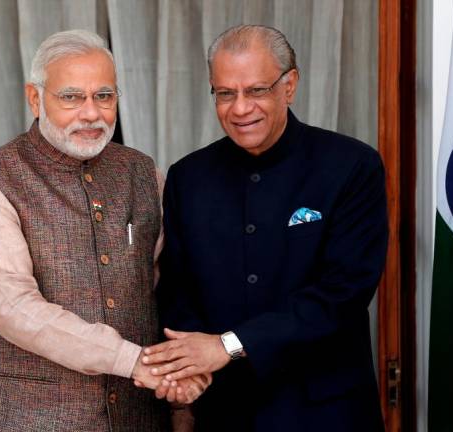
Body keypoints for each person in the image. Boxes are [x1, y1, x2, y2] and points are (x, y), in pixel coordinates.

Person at [0, 29, 207, 431]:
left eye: (104, 96)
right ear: (35, 99)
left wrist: (181, 385)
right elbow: (14, 308)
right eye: (71, 97)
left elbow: (168, 287)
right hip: (27, 418)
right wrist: (132, 360)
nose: (91, 113)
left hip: (137, 415)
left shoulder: (141, 172)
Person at [142, 25, 388, 431]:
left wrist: (226, 346)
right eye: (225, 93)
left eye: (256, 90)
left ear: (289, 85)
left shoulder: (351, 167)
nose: (240, 109)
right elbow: (178, 288)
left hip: (325, 412)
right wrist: (185, 370)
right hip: (225, 411)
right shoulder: (188, 177)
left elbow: (341, 294)